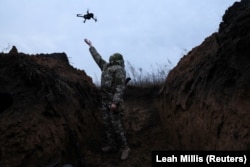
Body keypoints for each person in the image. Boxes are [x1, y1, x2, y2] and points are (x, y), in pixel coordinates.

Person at [84, 39, 130, 160]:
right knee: (107, 124)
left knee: (116, 124)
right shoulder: (105, 66)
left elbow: (120, 87)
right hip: (105, 102)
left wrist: (115, 102)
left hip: (113, 103)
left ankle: (125, 147)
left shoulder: (119, 70)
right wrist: (91, 46)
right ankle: (112, 144)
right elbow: (97, 57)